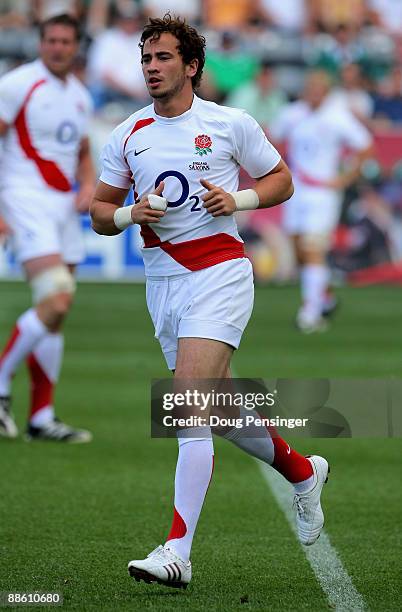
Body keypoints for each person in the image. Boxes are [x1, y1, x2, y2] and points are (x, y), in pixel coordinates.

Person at [90, 14, 330, 589]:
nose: (151, 68)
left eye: (163, 58)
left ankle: (177, 551)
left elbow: (281, 180)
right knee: (216, 408)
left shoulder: (230, 123)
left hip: (220, 271)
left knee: (188, 407)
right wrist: (129, 214)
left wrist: (238, 198)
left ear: (192, 65)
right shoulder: (127, 134)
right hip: (163, 284)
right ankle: (303, 471)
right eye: (145, 59)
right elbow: (99, 213)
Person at [0, 13, 95, 442]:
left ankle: (41, 417)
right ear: (40, 43)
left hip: (62, 209)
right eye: (51, 40)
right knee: (56, 299)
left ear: (76, 46)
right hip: (25, 199)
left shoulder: (78, 94)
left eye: (65, 41)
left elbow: (84, 149)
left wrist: (89, 184)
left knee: (58, 315)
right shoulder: (19, 84)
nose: (57, 47)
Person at [271, 70, 373, 332]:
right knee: (298, 250)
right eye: (310, 88)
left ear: (326, 92)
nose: (313, 93)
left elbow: (365, 146)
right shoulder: (292, 113)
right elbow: (272, 137)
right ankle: (324, 297)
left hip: (322, 192)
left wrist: (344, 178)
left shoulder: (337, 116)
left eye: (318, 89)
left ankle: (310, 312)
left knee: (313, 247)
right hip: (295, 190)